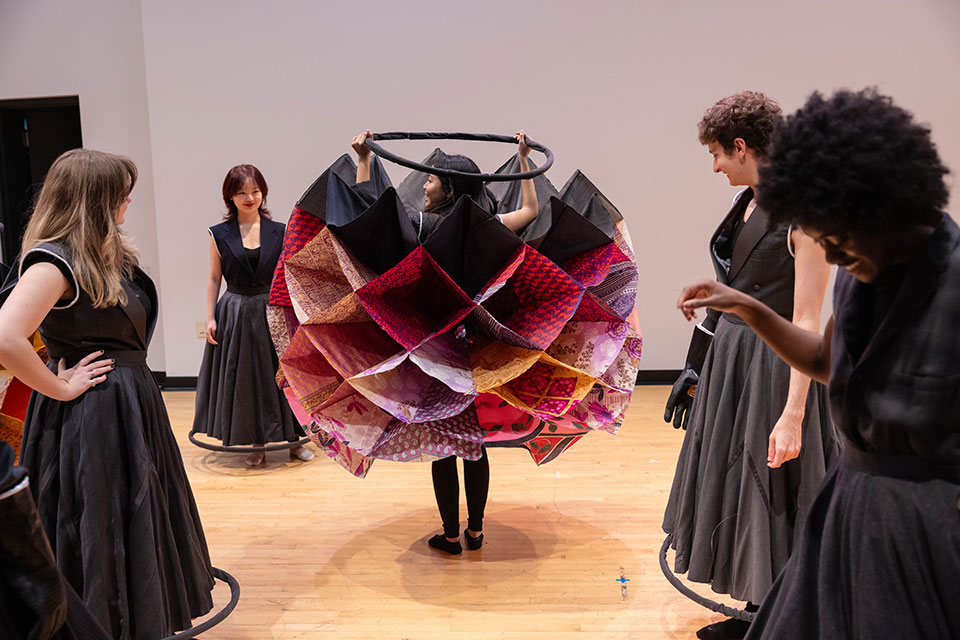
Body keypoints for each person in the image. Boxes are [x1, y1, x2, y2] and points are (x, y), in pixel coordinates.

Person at [678, 88, 960, 640]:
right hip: (850, 511)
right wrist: (745, 306)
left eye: (836, 237)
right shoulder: (864, 271)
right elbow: (832, 359)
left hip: (929, 537)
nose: (829, 256)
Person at [0, 149, 215, 639]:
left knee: (131, 516)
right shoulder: (54, 261)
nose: (127, 203)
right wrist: (59, 385)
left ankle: (136, 619)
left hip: (128, 405)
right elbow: (6, 336)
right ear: (94, 200)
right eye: (120, 195)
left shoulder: (100, 252)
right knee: (97, 521)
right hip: (91, 413)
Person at [661, 91, 839, 639]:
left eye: (717, 154)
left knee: (773, 490)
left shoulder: (805, 215)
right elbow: (743, 282)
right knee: (739, 483)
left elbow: (807, 320)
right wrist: (699, 354)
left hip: (773, 369)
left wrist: (792, 415)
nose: (714, 166)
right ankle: (762, 609)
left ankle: (778, 619)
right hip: (733, 363)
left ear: (741, 147)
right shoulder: (753, 199)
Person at [351, 130, 538, 554]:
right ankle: (475, 531)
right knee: (472, 443)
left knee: (444, 444)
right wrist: (524, 158)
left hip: (436, 346)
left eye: (431, 180)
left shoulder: (425, 225)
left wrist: (363, 160)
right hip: (475, 346)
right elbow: (530, 209)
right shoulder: (486, 226)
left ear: (449, 187)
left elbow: (371, 217)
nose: (424, 184)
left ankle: (451, 535)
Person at [193, 164, 311, 466]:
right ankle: (254, 443)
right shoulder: (219, 234)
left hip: (273, 309)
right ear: (230, 196)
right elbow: (213, 278)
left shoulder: (279, 230)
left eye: (255, 191)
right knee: (246, 379)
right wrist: (210, 317)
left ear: (263, 193)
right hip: (237, 312)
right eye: (242, 192)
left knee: (284, 376)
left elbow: (290, 273)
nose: (250, 197)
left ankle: (294, 441)